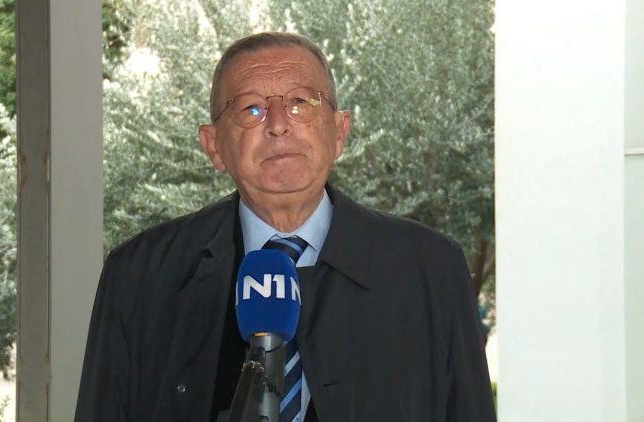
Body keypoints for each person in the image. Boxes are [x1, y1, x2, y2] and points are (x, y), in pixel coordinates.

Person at [75, 32, 496, 422]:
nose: (278, 124)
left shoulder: (429, 269)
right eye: (251, 108)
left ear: (339, 131)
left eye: (301, 102)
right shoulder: (141, 276)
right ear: (213, 146)